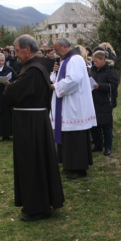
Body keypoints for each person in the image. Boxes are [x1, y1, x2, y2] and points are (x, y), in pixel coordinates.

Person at [4, 34, 65, 222]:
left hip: (30, 124)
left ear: (27, 50)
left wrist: (9, 87)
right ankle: (39, 202)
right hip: (34, 121)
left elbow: (12, 94)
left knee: (32, 163)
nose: (16, 55)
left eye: (17, 51)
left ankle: (38, 207)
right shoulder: (36, 67)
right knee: (37, 161)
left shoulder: (32, 71)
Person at [50, 38, 97, 180]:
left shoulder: (75, 59)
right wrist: (54, 74)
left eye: (57, 50)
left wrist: (56, 87)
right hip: (68, 105)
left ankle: (78, 168)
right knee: (69, 137)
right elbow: (60, 78)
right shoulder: (66, 60)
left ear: (65, 46)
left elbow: (74, 79)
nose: (56, 53)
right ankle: (69, 165)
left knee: (75, 138)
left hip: (75, 106)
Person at [89, 50, 119, 156]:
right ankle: (98, 145)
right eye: (93, 61)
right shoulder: (92, 70)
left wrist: (100, 86)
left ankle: (108, 147)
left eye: (96, 61)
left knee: (106, 125)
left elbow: (114, 86)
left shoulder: (109, 71)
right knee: (94, 125)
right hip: (93, 101)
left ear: (103, 60)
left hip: (105, 102)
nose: (94, 63)